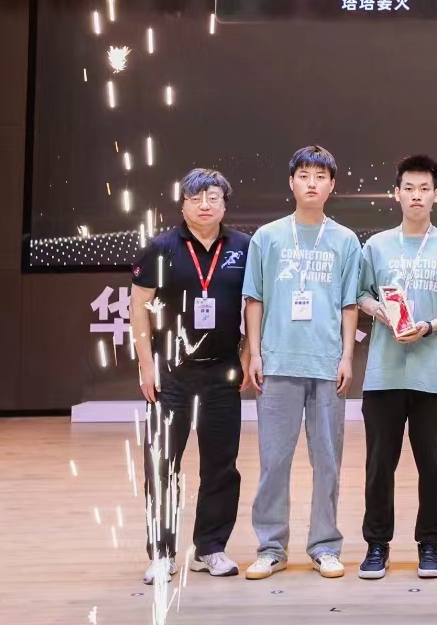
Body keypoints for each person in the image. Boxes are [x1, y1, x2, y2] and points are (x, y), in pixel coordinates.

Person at [240, 146, 362, 580]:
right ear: (291, 182)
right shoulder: (267, 237)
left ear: (332, 185)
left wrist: (346, 356)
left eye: (320, 176)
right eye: (304, 175)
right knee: (274, 461)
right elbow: (254, 299)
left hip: (327, 365)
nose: (312, 183)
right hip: (277, 363)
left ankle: (325, 546)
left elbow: (350, 304)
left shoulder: (346, 240)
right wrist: (256, 353)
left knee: (327, 461)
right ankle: (271, 547)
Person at [130, 168, 251, 584]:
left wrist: (248, 354)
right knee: (163, 465)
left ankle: (210, 548)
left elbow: (255, 305)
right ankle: (161, 553)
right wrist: (147, 364)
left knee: (221, 466)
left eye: (213, 197)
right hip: (171, 374)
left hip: (222, 372)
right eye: (196, 198)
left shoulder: (243, 247)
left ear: (224, 204)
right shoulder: (162, 247)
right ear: (182, 204)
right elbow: (139, 306)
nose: (204, 205)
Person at [353, 155, 437, 582]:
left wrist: (427, 327)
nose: (416, 196)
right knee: (379, 465)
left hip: (432, 377)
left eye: (424, 189)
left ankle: (430, 544)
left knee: (433, 467)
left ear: (436, 195)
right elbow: (361, 294)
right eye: (409, 188)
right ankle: (377, 544)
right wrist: (381, 313)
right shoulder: (376, 245)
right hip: (383, 376)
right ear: (396, 193)